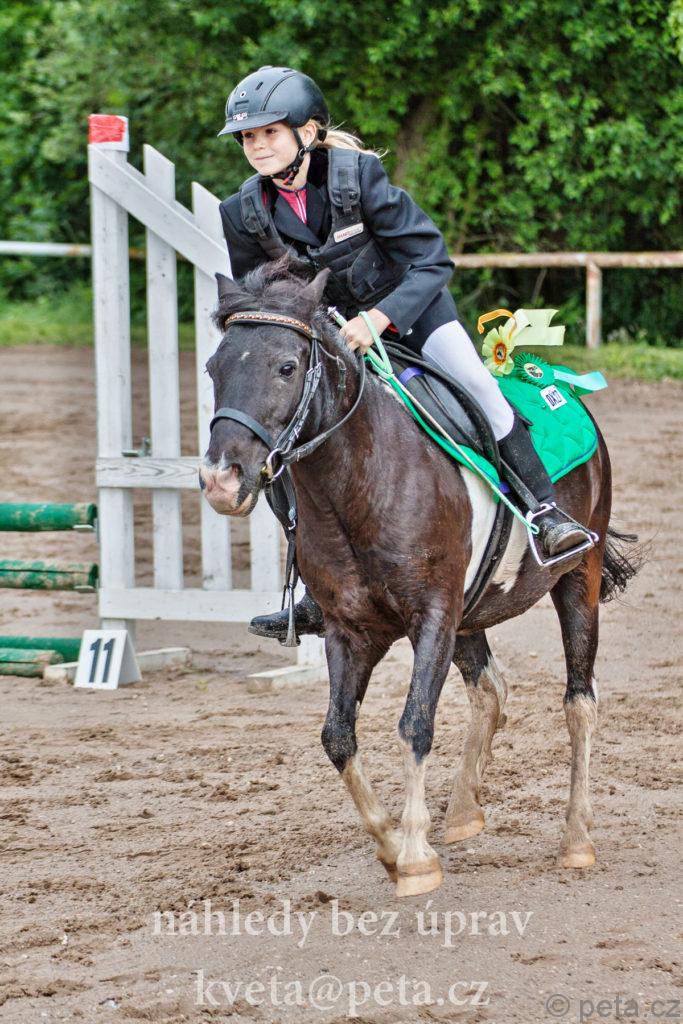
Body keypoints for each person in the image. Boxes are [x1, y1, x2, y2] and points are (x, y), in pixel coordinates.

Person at [217, 66, 594, 641]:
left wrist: (378, 319)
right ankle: (313, 584)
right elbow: (265, 299)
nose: (257, 146)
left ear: (308, 132)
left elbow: (432, 260)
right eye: (248, 137)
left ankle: (545, 512)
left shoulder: (359, 178)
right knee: (284, 433)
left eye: (270, 132)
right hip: (332, 340)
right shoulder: (241, 213)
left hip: (413, 314)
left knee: (480, 389)